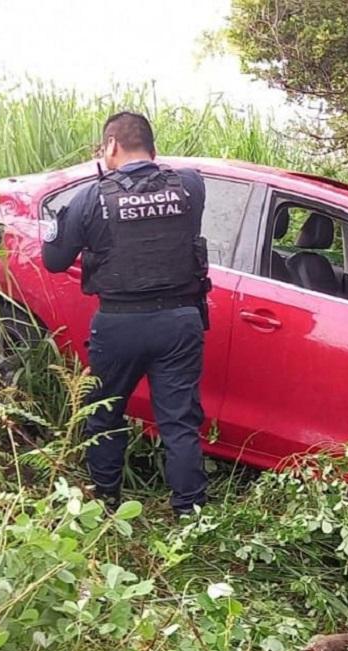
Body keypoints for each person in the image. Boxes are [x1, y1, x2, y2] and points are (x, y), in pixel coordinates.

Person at [42, 112, 210, 516]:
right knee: (179, 424)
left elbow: (53, 260)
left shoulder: (91, 197)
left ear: (112, 145)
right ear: (152, 146)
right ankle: (190, 514)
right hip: (179, 321)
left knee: (104, 414)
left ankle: (105, 504)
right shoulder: (190, 186)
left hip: (119, 324)